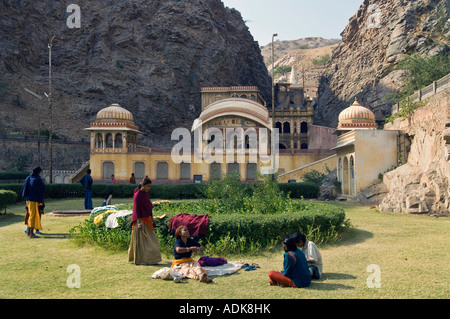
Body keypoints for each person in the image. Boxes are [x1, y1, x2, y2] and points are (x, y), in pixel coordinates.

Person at [128, 177, 162, 265]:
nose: (149, 188)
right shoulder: (137, 195)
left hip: (147, 220)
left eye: (150, 186)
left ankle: (152, 259)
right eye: (148, 186)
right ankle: (141, 260)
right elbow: (136, 209)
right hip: (140, 221)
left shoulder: (145, 194)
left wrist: (152, 218)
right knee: (142, 243)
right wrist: (139, 223)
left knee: (152, 241)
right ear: (143, 185)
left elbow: (149, 207)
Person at [21, 166, 46, 239]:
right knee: (33, 215)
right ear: (38, 172)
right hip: (34, 200)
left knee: (30, 214)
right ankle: (31, 234)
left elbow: (24, 189)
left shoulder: (29, 178)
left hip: (28, 199)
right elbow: (41, 189)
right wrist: (41, 201)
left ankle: (29, 232)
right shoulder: (37, 179)